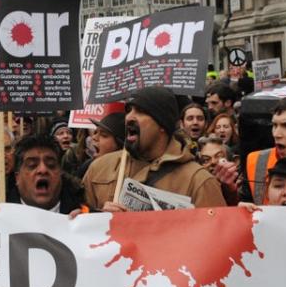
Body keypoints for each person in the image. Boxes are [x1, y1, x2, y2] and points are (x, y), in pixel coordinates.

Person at [81, 86, 225, 210]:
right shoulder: (99, 168)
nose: (129, 117)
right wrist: (101, 219)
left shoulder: (198, 181)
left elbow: (215, 236)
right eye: (129, 110)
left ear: (162, 125)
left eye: (141, 111)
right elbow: (75, 224)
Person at [14, 134, 84, 212]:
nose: (43, 170)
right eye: (32, 165)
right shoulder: (0, 217)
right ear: (17, 178)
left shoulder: (85, 217)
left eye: (51, 165)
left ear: (61, 173)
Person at [77, 112, 125, 177]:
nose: (94, 137)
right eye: (95, 132)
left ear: (120, 144)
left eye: (104, 135)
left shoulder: (131, 174)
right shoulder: (86, 168)